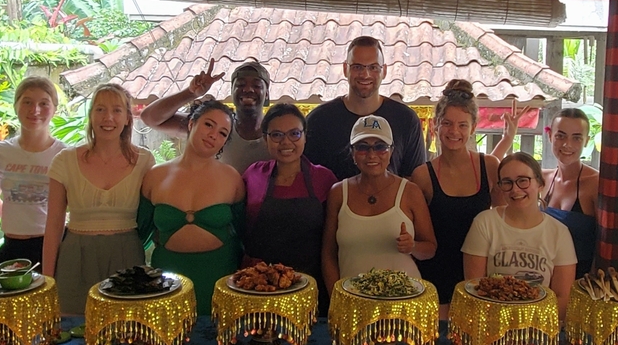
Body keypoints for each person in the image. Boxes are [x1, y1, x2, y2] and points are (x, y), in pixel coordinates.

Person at [43, 83, 153, 315]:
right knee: (73, 334)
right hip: (76, 257)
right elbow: (53, 226)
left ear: (127, 119)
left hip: (127, 257)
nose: (108, 117)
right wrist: (47, 280)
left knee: (127, 334)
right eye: (100, 109)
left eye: (117, 110)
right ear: (91, 116)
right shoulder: (64, 161)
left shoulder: (145, 161)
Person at [140, 100, 245, 315]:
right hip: (168, 278)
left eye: (223, 133)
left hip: (220, 276)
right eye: (208, 125)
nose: (214, 135)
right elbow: (140, 232)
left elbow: (244, 233)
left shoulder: (232, 178)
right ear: (191, 124)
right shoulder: (155, 176)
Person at [410, 80, 500, 313]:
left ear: (473, 127)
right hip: (434, 277)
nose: (454, 132)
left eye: (462, 125)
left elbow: (503, 223)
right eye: (447, 124)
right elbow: (418, 235)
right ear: (435, 126)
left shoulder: (489, 165)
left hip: (480, 277)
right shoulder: (422, 176)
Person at [321, 115, 437, 291]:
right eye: (362, 147)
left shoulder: (410, 192)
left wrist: (412, 246)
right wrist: (337, 298)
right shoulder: (338, 193)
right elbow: (328, 254)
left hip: (402, 302)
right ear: (352, 153)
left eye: (380, 147)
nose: (372, 154)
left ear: (391, 151)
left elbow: (430, 249)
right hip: (353, 301)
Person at [241, 103, 337, 314]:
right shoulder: (253, 174)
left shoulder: (324, 178)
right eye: (276, 135)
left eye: (294, 133)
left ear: (305, 136)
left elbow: (334, 239)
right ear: (265, 139)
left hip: (310, 284)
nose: (286, 142)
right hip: (260, 284)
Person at [463, 152, 576, 320]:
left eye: (523, 180)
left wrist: (526, 321)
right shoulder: (485, 223)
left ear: (540, 183)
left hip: (538, 328)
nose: (515, 189)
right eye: (507, 182)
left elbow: (562, 298)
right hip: (493, 325)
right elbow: (473, 289)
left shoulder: (559, 232)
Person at [305, 36, 427, 181]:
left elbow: (413, 182)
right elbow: (307, 181)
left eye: (373, 67)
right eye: (357, 67)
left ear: (384, 71)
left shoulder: (406, 120)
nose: (365, 74)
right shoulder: (319, 120)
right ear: (345, 69)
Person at [0, 77, 67, 267]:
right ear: (16, 106)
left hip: (52, 246)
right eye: (27, 102)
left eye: (43, 103)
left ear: (54, 108)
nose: (34, 110)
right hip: (12, 247)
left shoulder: (64, 154)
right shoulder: (1, 152)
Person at [139, 60, 271, 173]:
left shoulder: (277, 130)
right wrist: (190, 93)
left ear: (266, 94)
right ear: (231, 91)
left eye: (257, 85)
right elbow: (150, 118)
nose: (248, 89)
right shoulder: (215, 126)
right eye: (240, 84)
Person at [540, 108, 599, 278]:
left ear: (586, 141)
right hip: (540, 276)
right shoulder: (541, 178)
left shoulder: (595, 183)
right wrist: (508, 138)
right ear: (550, 136)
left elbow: (605, 242)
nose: (567, 144)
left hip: (579, 281)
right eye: (561, 136)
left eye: (576, 138)